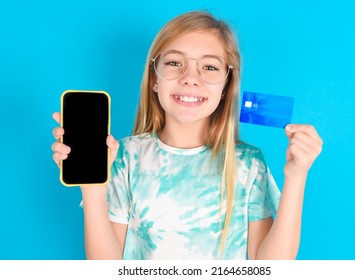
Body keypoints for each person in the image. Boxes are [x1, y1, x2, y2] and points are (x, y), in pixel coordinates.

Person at [51, 11, 322, 260]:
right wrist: (93, 190)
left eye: (210, 67)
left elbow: (272, 269)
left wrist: (296, 177)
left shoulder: (249, 164)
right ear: (154, 79)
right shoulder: (124, 158)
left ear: (228, 85)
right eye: (174, 63)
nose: (191, 78)